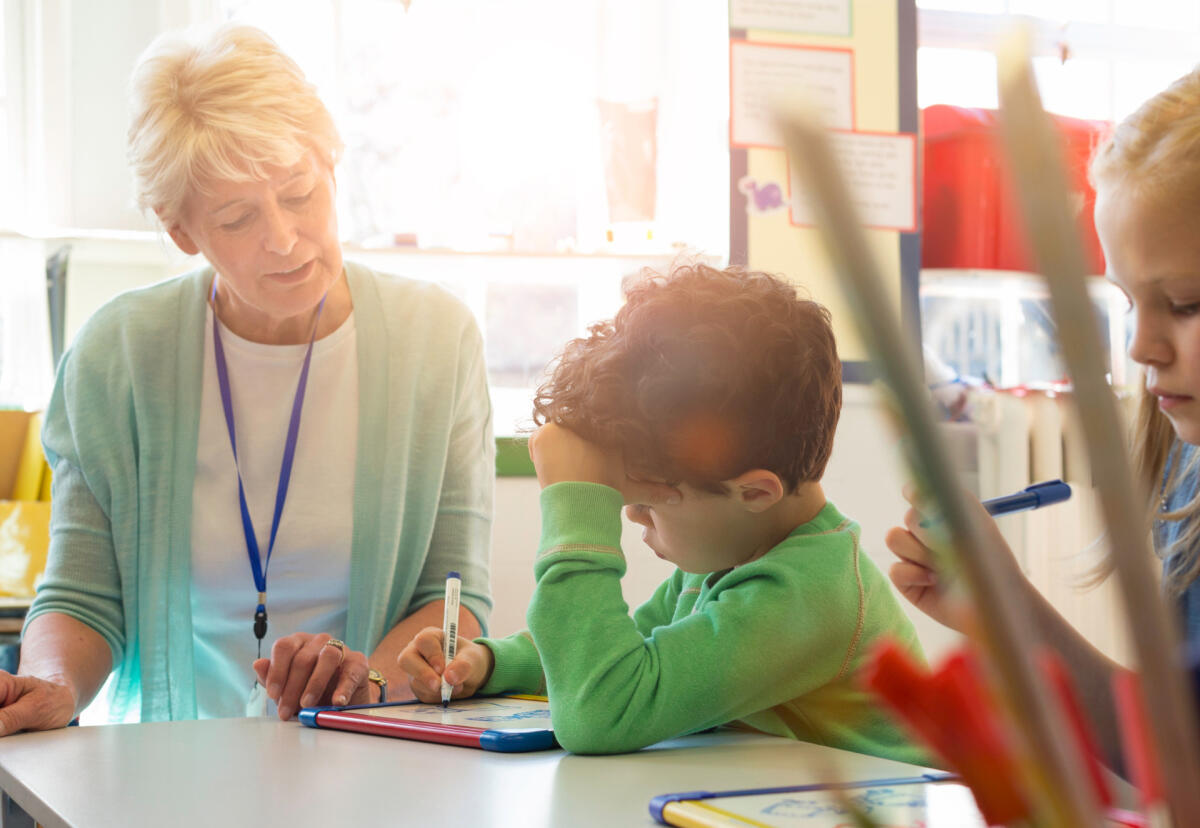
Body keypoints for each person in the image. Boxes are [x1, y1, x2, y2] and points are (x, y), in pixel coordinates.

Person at [0, 23, 493, 736]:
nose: (285, 238)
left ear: (331, 164)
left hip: (374, 769)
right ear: (181, 230)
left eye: (299, 193)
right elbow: (82, 597)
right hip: (168, 773)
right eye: (237, 216)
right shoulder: (118, 353)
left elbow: (453, 599)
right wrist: (50, 685)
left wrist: (363, 683)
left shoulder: (437, 341)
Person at [398, 263, 930, 761]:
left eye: (646, 503)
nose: (632, 517)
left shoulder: (810, 591)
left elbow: (600, 710)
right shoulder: (736, 555)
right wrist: (490, 662)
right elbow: (623, 653)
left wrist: (576, 507)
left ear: (755, 493)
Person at [886, 67, 1200, 769]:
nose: (1141, 347)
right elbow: (1169, 750)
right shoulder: (1189, 462)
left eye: (1185, 303)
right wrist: (1004, 609)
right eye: (1127, 303)